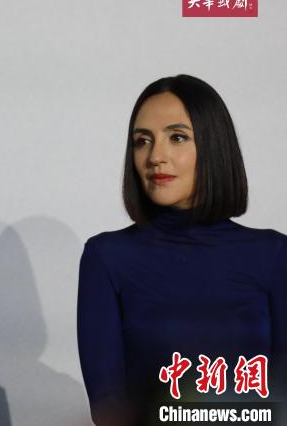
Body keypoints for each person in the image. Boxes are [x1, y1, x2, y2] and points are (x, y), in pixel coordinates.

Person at [77, 75, 287, 425]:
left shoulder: (275, 255)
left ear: (213, 145)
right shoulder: (107, 258)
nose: (155, 157)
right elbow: (107, 405)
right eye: (142, 141)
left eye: (177, 137)